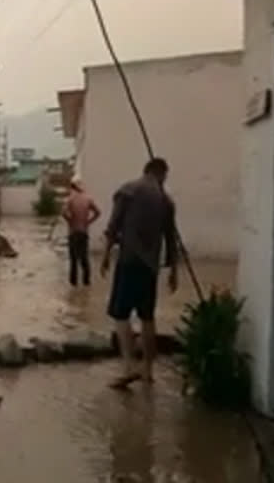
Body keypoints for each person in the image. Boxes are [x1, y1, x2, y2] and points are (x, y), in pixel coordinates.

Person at [100, 157, 178, 388]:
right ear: (161, 174)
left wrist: (105, 256)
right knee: (147, 317)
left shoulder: (128, 191)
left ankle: (128, 367)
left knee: (120, 314)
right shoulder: (166, 201)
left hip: (128, 261)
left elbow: (113, 227)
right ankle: (148, 370)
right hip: (150, 267)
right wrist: (174, 271)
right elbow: (171, 239)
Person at [62, 177, 101, 286]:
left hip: (73, 232)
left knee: (73, 259)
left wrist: (70, 221)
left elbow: (63, 212)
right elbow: (98, 212)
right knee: (84, 258)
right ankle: (86, 282)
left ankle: (73, 283)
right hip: (84, 231)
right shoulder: (88, 198)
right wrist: (88, 222)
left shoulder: (70, 199)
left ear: (72, 187)